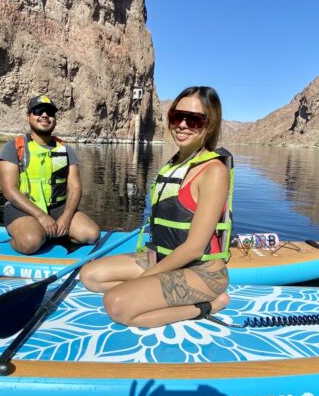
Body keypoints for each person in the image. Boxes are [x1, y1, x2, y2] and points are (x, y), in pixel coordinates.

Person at [80, 86, 233, 327]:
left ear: (209, 124)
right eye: (176, 116)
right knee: (89, 276)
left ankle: (210, 305)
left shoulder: (214, 171)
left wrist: (145, 278)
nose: (182, 124)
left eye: (193, 119)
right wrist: (150, 274)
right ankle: (148, 293)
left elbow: (193, 249)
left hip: (202, 272)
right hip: (163, 259)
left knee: (117, 304)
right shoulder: (175, 164)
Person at [0, 95, 101, 254]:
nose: (44, 115)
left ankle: (51, 233)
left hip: (57, 208)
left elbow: (75, 189)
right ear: (29, 117)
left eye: (50, 112)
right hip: (22, 208)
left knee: (91, 234)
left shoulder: (66, 150)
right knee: (31, 242)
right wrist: (40, 216)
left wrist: (66, 217)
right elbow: (9, 191)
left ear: (55, 119)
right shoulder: (14, 148)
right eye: (38, 111)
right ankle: (21, 237)